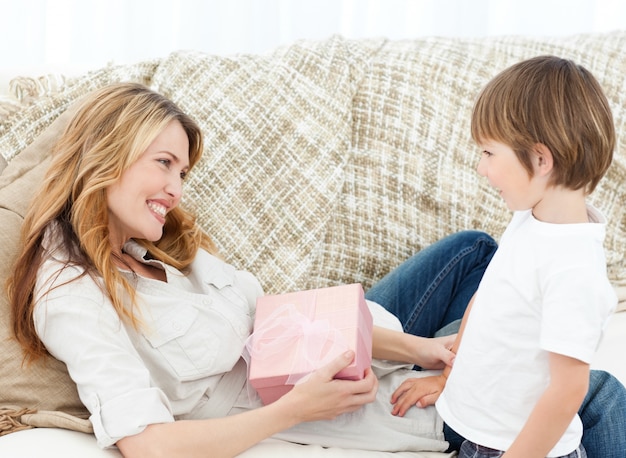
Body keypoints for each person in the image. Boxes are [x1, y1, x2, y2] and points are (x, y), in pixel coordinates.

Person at [5, 82, 625, 458]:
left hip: (344, 341)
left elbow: (271, 316)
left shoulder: (148, 247)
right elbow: (149, 444)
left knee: (471, 249)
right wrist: (295, 410)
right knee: (591, 393)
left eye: (181, 172)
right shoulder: (71, 294)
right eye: (164, 164)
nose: (175, 188)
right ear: (106, 158)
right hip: (334, 393)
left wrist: (426, 349)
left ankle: (455, 347)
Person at [389, 56, 620, 458]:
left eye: (489, 153)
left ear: (540, 159)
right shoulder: (529, 220)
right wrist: (448, 378)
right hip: (480, 434)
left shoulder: (573, 269)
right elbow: (486, 299)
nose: (481, 168)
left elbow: (568, 391)